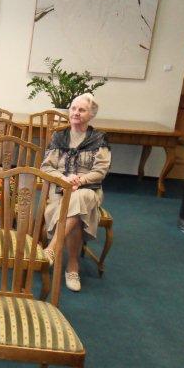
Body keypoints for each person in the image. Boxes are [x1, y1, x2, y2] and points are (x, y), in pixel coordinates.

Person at [41, 93, 111, 292]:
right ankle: (72, 266)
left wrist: (79, 180)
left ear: (91, 115)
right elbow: (46, 167)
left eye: (82, 110)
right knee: (78, 214)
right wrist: (64, 179)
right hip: (61, 189)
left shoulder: (99, 139)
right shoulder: (59, 137)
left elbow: (100, 171)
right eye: (73, 108)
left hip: (89, 189)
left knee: (81, 197)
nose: (76, 113)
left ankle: (52, 249)